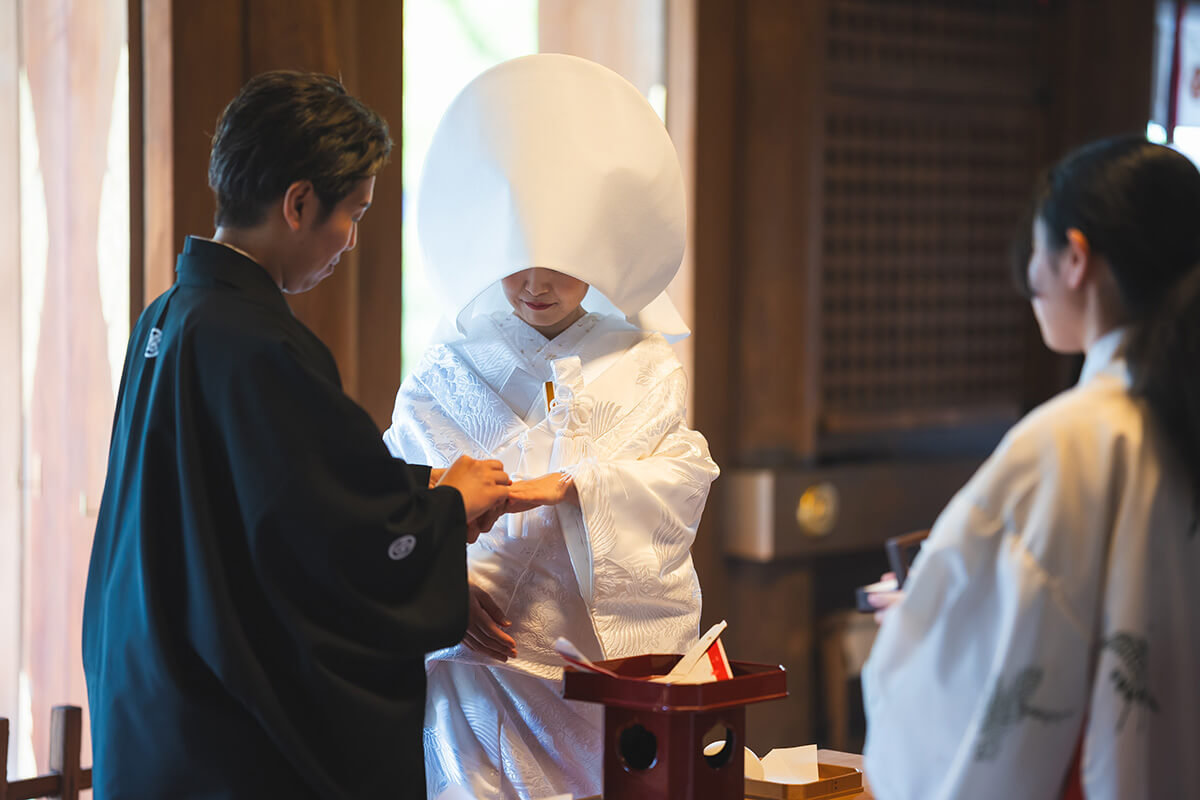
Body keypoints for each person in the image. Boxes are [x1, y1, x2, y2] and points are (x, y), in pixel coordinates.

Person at [82, 71, 517, 799]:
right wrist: (446, 510)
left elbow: (272, 505)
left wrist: (426, 500)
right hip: (220, 738)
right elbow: (333, 533)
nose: (350, 241)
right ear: (298, 203)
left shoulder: (166, 318)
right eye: (354, 213)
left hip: (150, 697)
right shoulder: (257, 346)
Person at [384, 54, 720, 800]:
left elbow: (682, 480)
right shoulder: (446, 368)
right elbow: (394, 500)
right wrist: (444, 588)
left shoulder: (643, 363)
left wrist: (577, 486)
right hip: (476, 665)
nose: (536, 283)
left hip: (594, 679)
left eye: (562, 263)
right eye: (516, 259)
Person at [862, 136, 1200, 799]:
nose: (1031, 281)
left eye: (1035, 257)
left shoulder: (1076, 437)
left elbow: (1011, 667)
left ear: (1075, 258)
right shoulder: (1170, 416)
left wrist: (932, 610)